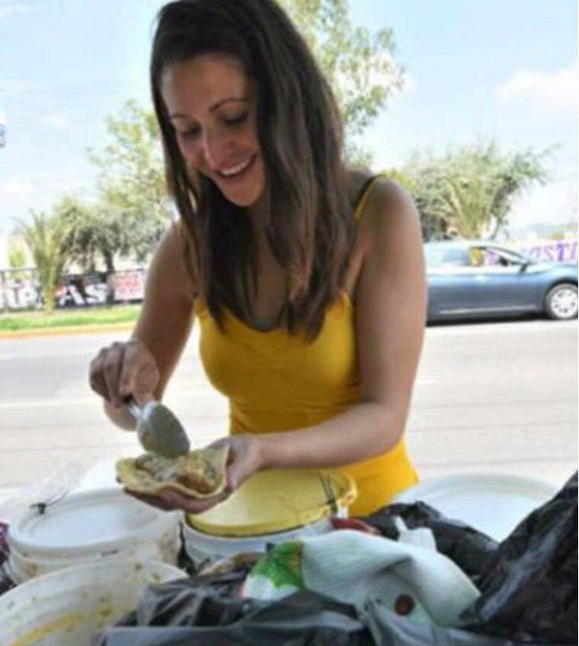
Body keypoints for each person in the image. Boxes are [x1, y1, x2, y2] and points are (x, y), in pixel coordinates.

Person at [88, 0, 426, 518]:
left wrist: (265, 451)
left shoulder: (378, 212)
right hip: (252, 527)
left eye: (233, 117)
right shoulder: (187, 246)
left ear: (287, 98)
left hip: (375, 523)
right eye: (188, 130)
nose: (213, 152)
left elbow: (385, 417)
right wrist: (127, 388)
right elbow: (132, 417)